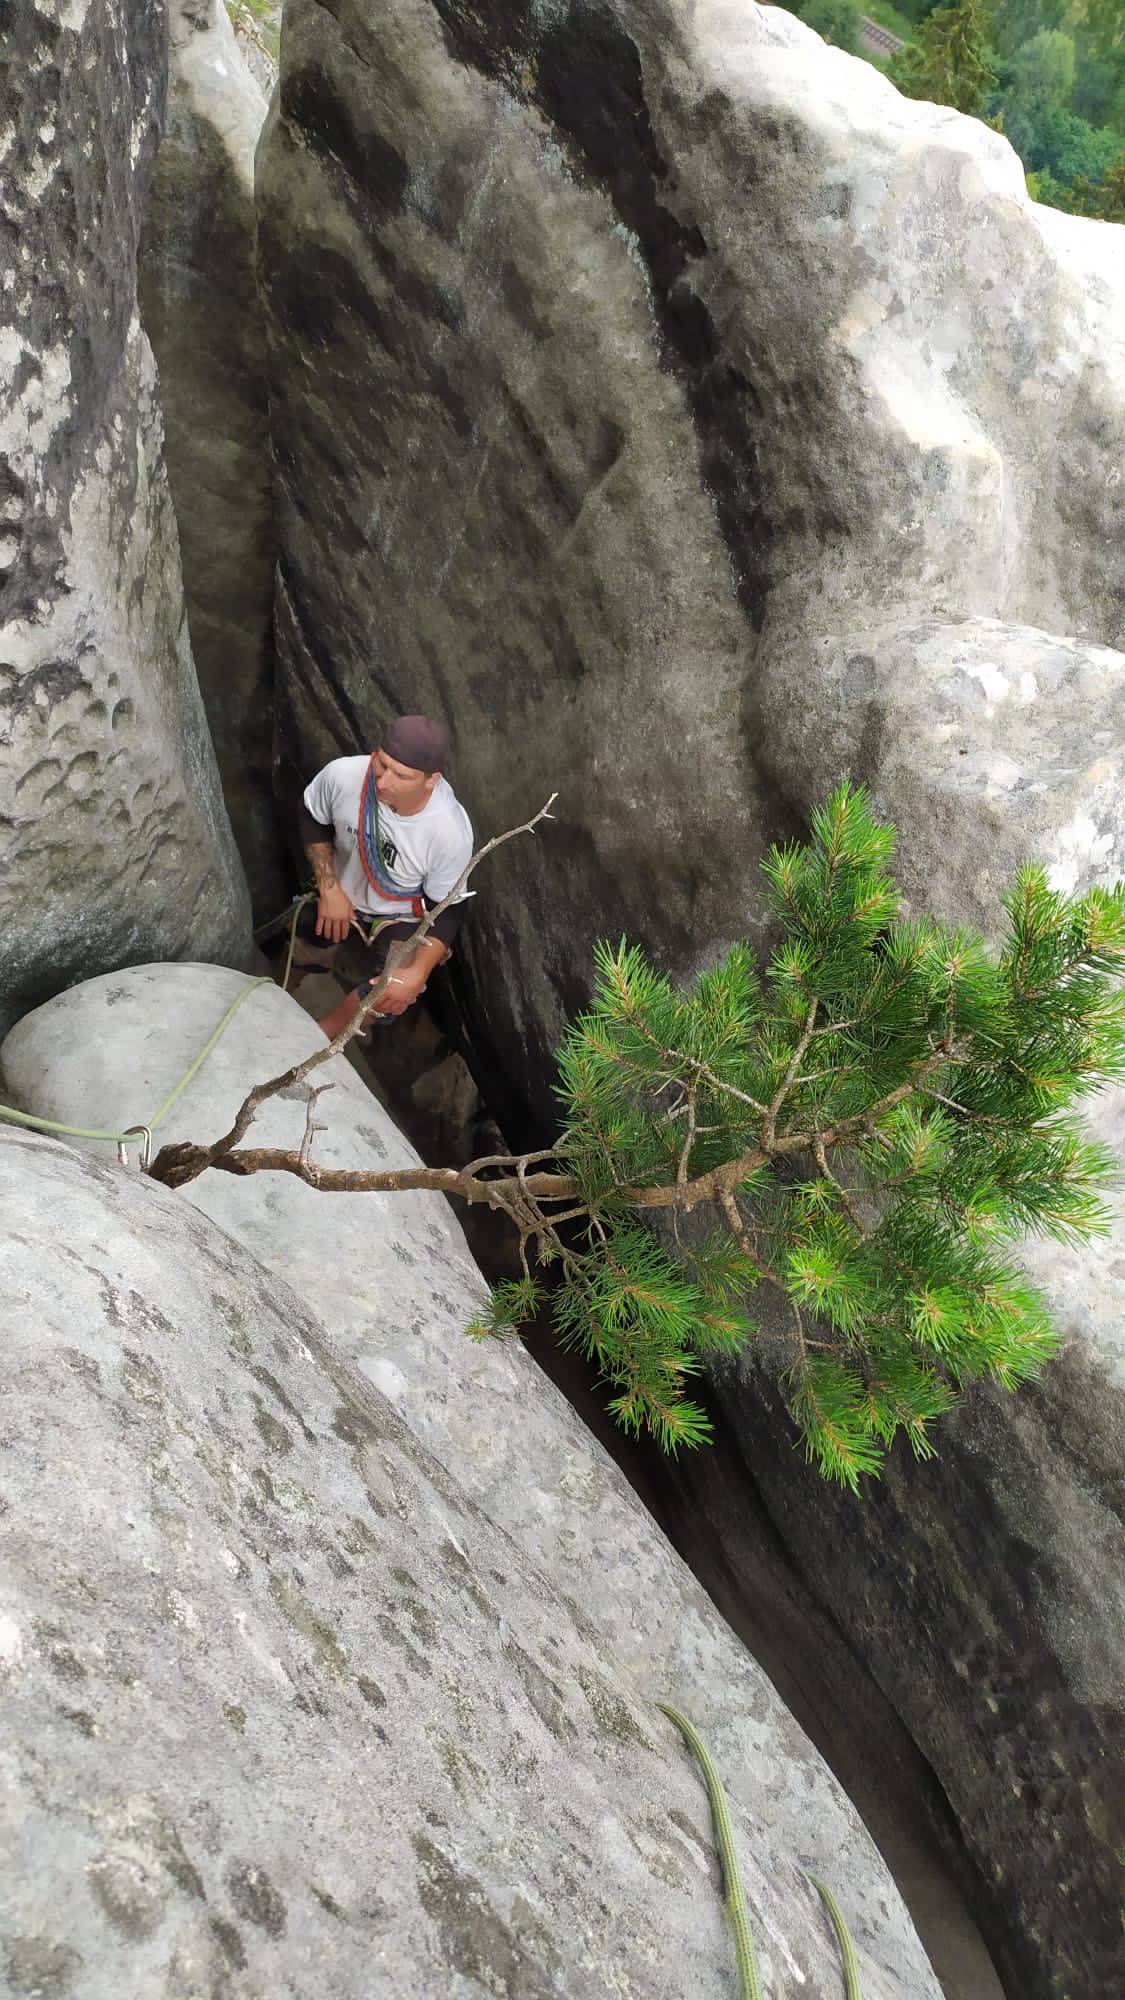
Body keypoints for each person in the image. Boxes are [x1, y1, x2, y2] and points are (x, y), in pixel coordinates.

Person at [288, 715, 473, 1041]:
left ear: (431, 780)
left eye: (402, 776)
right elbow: (312, 815)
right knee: (308, 929)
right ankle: (279, 991)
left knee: (391, 992)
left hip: (401, 914)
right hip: (342, 892)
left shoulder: (448, 831)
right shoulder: (344, 775)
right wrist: (329, 888)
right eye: (382, 764)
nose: (384, 781)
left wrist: (418, 972)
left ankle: (320, 1037)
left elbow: (447, 907)